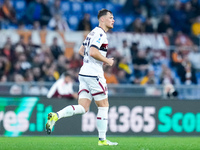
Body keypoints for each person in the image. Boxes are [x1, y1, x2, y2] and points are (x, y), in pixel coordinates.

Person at [45, 9, 118, 146]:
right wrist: (107, 61)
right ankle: (102, 140)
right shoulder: (100, 34)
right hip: (94, 74)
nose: (113, 20)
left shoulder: (92, 33)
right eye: (110, 17)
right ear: (102, 19)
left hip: (84, 73)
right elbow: (92, 51)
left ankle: (56, 116)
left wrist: (91, 61)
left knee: (83, 108)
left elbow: (81, 51)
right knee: (104, 106)